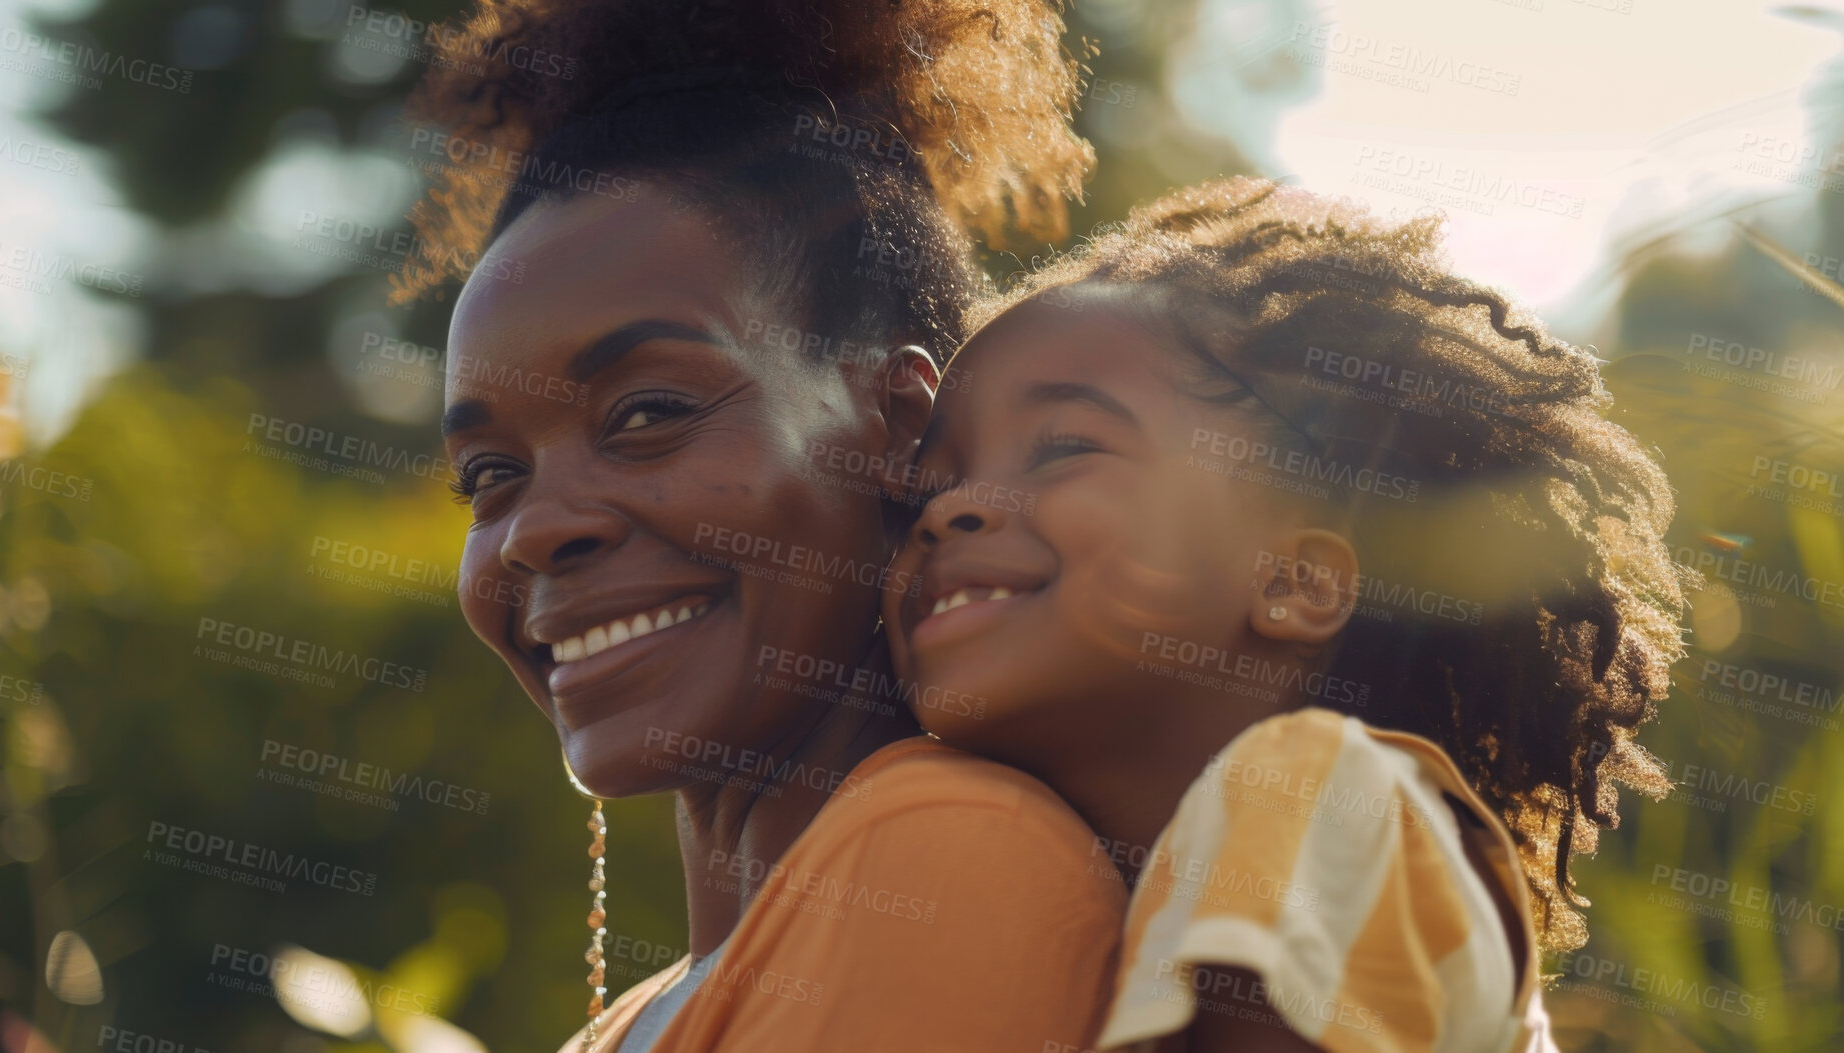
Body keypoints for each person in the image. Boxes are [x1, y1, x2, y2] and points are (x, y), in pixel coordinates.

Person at [404, 1, 1127, 1050]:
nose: (530, 532)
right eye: (489, 475)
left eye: (647, 413)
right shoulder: (633, 1021)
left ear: (900, 426)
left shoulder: (953, 859)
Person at [881, 177, 1700, 1052]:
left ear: (1297, 581)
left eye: (1066, 446)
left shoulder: (1314, 793)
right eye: (931, 483)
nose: (950, 508)